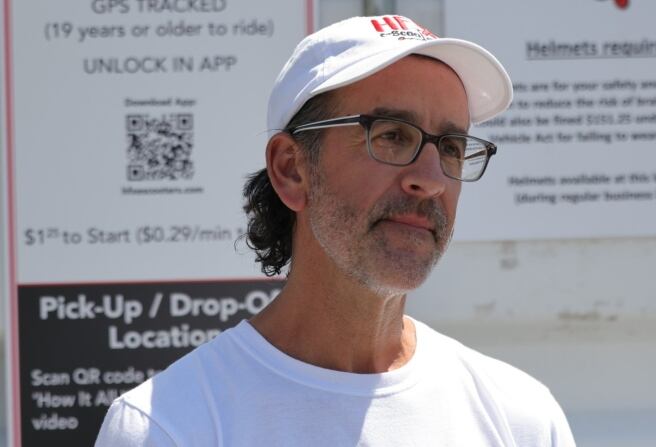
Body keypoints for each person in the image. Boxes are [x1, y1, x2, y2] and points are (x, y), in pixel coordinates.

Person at [96, 15, 575, 446]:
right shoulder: (170, 426)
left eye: (451, 146)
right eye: (391, 135)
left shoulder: (521, 421)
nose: (430, 180)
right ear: (291, 169)